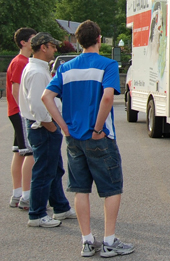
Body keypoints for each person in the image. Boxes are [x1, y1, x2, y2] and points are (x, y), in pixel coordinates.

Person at [42, 20, 134, 258]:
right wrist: (97, 128)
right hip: (99, 136)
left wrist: (63, 126)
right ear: (99, 39)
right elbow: (107, 98)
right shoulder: (108, 65)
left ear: (78, 40)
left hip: (73, 137)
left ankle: (86, 240)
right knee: (112, 188)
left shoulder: (66, 67)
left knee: (80, 188)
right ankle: (109, 241)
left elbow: (46, 96)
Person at [19, 32, 76, 228]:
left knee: (53, 168)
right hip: (42, 126)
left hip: (42, 126)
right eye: (52, 46)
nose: (54, 49)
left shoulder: (36, 68)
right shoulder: (36, 72)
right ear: (43, 47)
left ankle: (60, 206)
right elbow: (37, 104)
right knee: (44, 171)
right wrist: (51, 125)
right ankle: (37, 213)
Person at [6, 28, 36, 210]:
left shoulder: (22, 61)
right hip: (20, 112)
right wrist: (25, 111)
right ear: (23, 42)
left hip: (15, 111)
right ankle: (27, 196)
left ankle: (17, 193)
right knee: (30, 153)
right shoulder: (21, 62)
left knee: (19, 152)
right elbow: (16, 90)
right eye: (33, 39)